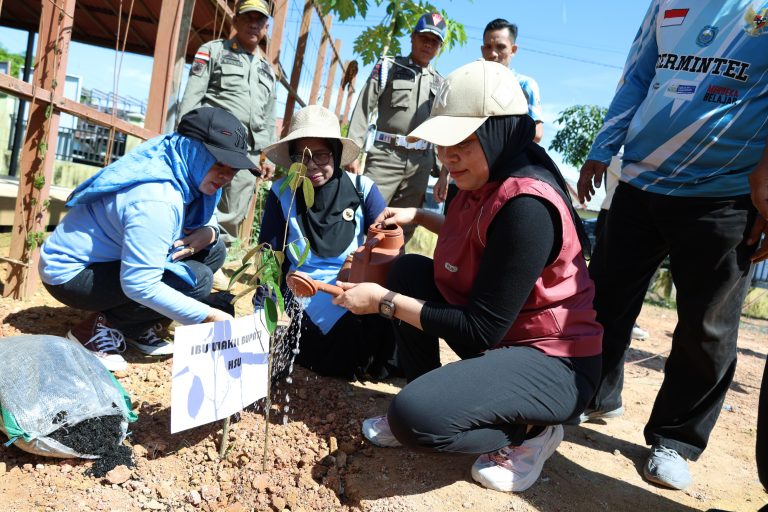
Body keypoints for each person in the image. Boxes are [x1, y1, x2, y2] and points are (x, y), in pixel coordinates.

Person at [333, 60, 602, 492]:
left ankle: (534, 430)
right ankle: (435, 392)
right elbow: (482, 235)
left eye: (461, 140)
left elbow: (480, 329)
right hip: (504, 342)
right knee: (410, 270)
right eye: (443, 142)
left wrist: (382, 300)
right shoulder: (481, 177)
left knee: (413, 419)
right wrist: (420, 215)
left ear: (500, 131)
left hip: (553, 362)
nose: (446, 155)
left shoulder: (528, 205)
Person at [576, 0, 768, 490]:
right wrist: (603, 148)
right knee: (602, 299)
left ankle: (675, 439)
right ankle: (594, 394)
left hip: (726, 190)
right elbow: (637, 76)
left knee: (707, 327)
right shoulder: (666, 3)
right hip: (641, 179)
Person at [39, 107, 252, 372]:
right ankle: (95, 332)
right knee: (197, 281)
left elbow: (207, 219)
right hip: (73, 276)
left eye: (234, 168)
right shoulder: (157, 199)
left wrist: (209, 232)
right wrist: (208, 316)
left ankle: (138, 324)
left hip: (109, 260)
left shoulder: (173, 158)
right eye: (219, 162)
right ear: (192, 149)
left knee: (213, 250)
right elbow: (140, 284)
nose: (226, 175)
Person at [255, 105, 393, 380]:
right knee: (331, 349)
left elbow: (385, 245)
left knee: (378, 324)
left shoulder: (362, 189)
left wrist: (363, 283)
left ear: (336, 153)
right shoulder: (283, 193)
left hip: (350, 291)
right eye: (302, 157)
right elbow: (269, 255)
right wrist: (265, 308)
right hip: (303, 294)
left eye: (321, 155)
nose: (312, 166)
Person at [178, 0, 277, 253]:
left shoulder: (268, 70)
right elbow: (192, 98)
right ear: (235, 20)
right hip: (212, 144)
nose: (254, 24)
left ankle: (213, 260)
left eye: (260, 20)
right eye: (248, 17)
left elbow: (268, 115)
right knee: (196, 201)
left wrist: (270, 155)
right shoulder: (214, 51)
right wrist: (185, 138)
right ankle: (180, 252)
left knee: (233, 211)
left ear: (266, 26)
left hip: (247, 153)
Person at [345, 13, 445, 239]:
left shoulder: (440, 83)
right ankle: (352, 267)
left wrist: (442, 172)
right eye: (424, 37)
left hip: (420, 165)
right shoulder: (388, 67)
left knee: (403, 227)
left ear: (440, 47)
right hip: (385, 157)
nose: (428, 44)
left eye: (434, 41)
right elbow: (364, 106)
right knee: (366, 215)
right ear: (413, 37)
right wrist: (353, 149)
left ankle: (388, 272)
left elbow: (440, 129)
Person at [434, 18, 544, 206]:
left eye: (500, 47)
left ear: (513, 50)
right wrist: (444, 174)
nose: (493, 53)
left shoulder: (524, 85)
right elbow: (451, 135)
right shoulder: (469, 82)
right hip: (464, 178)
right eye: (487, 47)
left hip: (499, 182)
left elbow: (537, 133)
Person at [594, 151, 650, 342]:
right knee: (611, 274)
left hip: (627, 212)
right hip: (615, 211)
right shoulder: (620, 156)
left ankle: (628, 320)